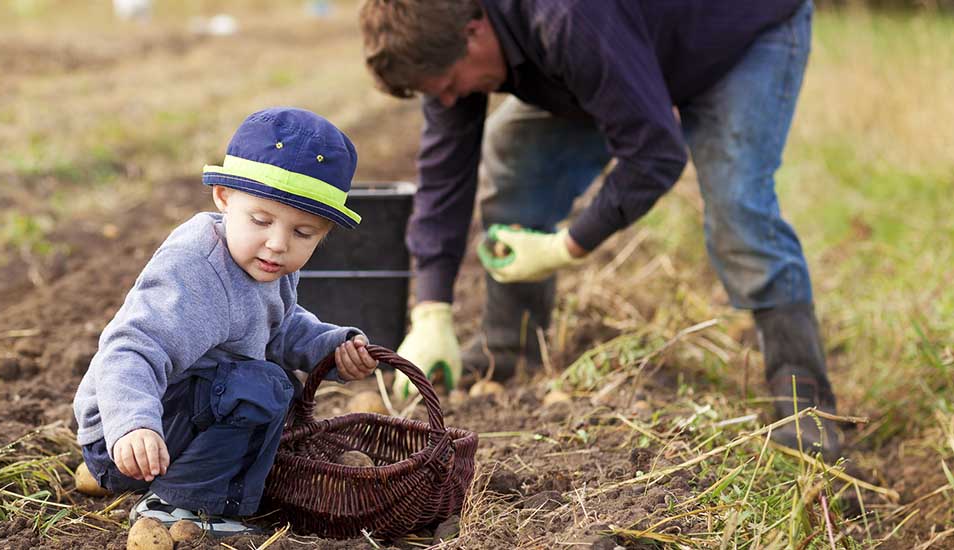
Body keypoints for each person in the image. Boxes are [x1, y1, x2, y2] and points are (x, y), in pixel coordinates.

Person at [359, 0, 840, 458]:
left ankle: (804, 397)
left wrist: (566, 246)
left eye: (446, 83)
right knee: (517, 154)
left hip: (738, 39)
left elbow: (655, 153)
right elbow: (444, 174)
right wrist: (431, 309)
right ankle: (511, 346)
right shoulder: (443, 31)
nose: (447, 99)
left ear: (474, 31)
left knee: (740, 208)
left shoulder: (567, 19)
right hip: (627, 53)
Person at [72, 107, 380, 535]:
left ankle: (208, 485)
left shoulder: (266, 264)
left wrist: (332, 349)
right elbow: (130, 348)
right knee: (264, 386)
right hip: (127, 437)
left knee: (273, 384)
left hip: (171, 423)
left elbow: (280, 325)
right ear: (223, 197)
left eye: (303, 234)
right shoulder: (195, 271)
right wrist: (133, 425)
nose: (278, 243)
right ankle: (181, 507)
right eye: (261, 220)